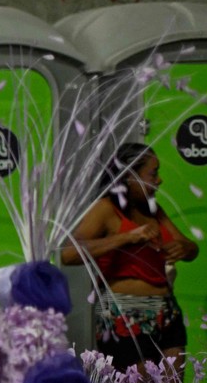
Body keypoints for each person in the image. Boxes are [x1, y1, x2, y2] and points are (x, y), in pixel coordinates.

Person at [62, 142, 198, 371]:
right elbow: (69, 254)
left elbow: (191, 248)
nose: (159, 180)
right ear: (129, 176)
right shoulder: (106, 208)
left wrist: (184, 248)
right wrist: (127, 238)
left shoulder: (154, 209)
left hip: (166, 310)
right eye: (153, 174)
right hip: (124, 313)